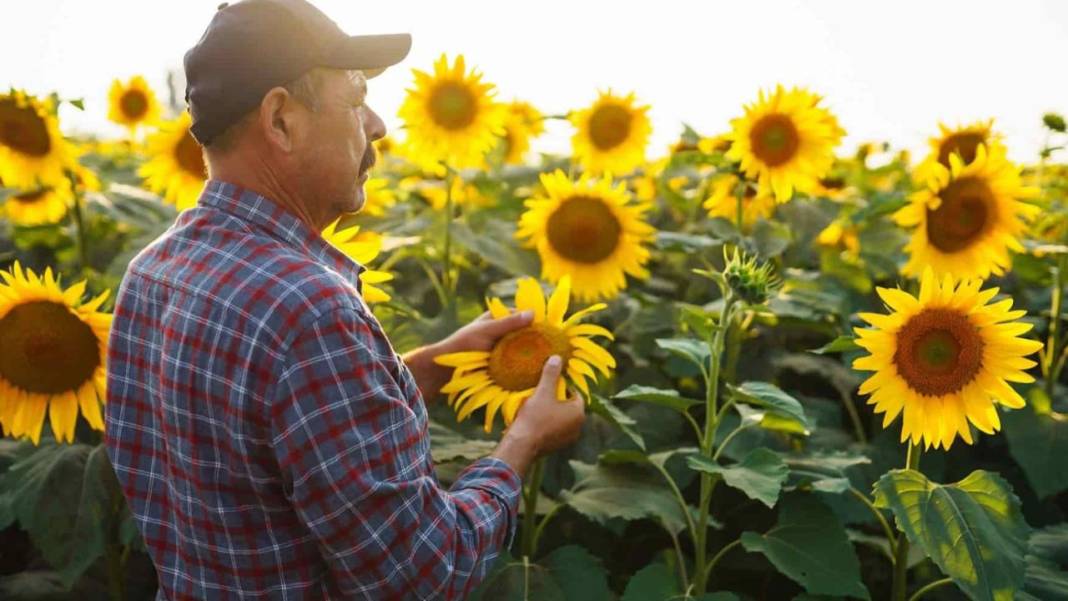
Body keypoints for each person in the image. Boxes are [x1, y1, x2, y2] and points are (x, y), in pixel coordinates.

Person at [103, 1, 586, 598]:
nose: (378, 123)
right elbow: (425, 575)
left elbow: (271, 433)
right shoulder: (308, 312)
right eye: (356, 97)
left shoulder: (153, 273)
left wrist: (434, 362)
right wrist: (522, 443)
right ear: (280, 120)